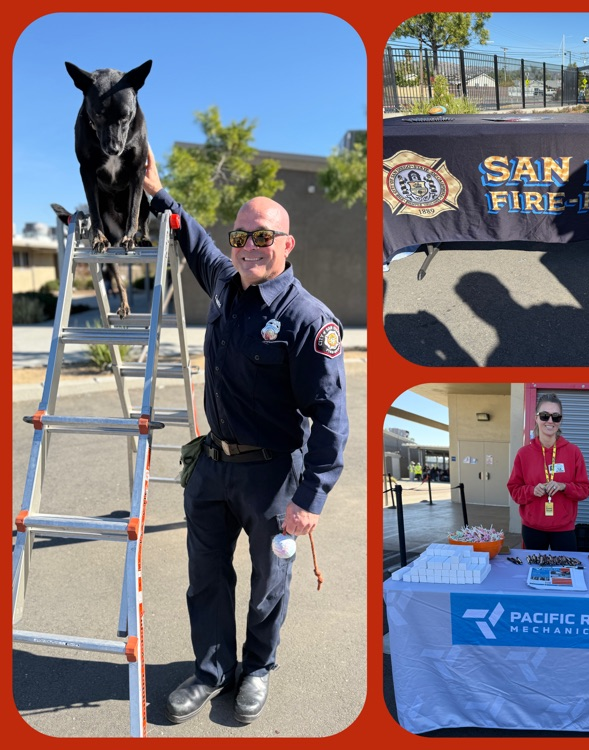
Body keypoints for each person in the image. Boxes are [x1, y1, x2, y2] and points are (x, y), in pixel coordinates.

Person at [142, 146, 349, 725]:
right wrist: (160, 194)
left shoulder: (311, 321)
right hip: (212, 468)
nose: (249, 248)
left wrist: (311, 498)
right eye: (241, 238)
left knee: (267, 583)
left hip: (272, 476)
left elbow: (331, 418)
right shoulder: (227, 285)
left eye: (263, 237)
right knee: (204, 578)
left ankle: (256, 668)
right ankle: (212, 670)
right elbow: (194, 240)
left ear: (286, 245)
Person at [506, 394, 589, 551]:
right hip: (533, 529)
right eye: (545, 416)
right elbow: (515, 490)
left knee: (565, 572)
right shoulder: (524, 454)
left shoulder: (573, 452)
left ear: (560, 420)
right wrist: (532, 490)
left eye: (556, 417)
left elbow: (585, 489)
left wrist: (564, 486)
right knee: (534, 571)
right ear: (536, 418)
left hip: (564, 529)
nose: (550, 421)